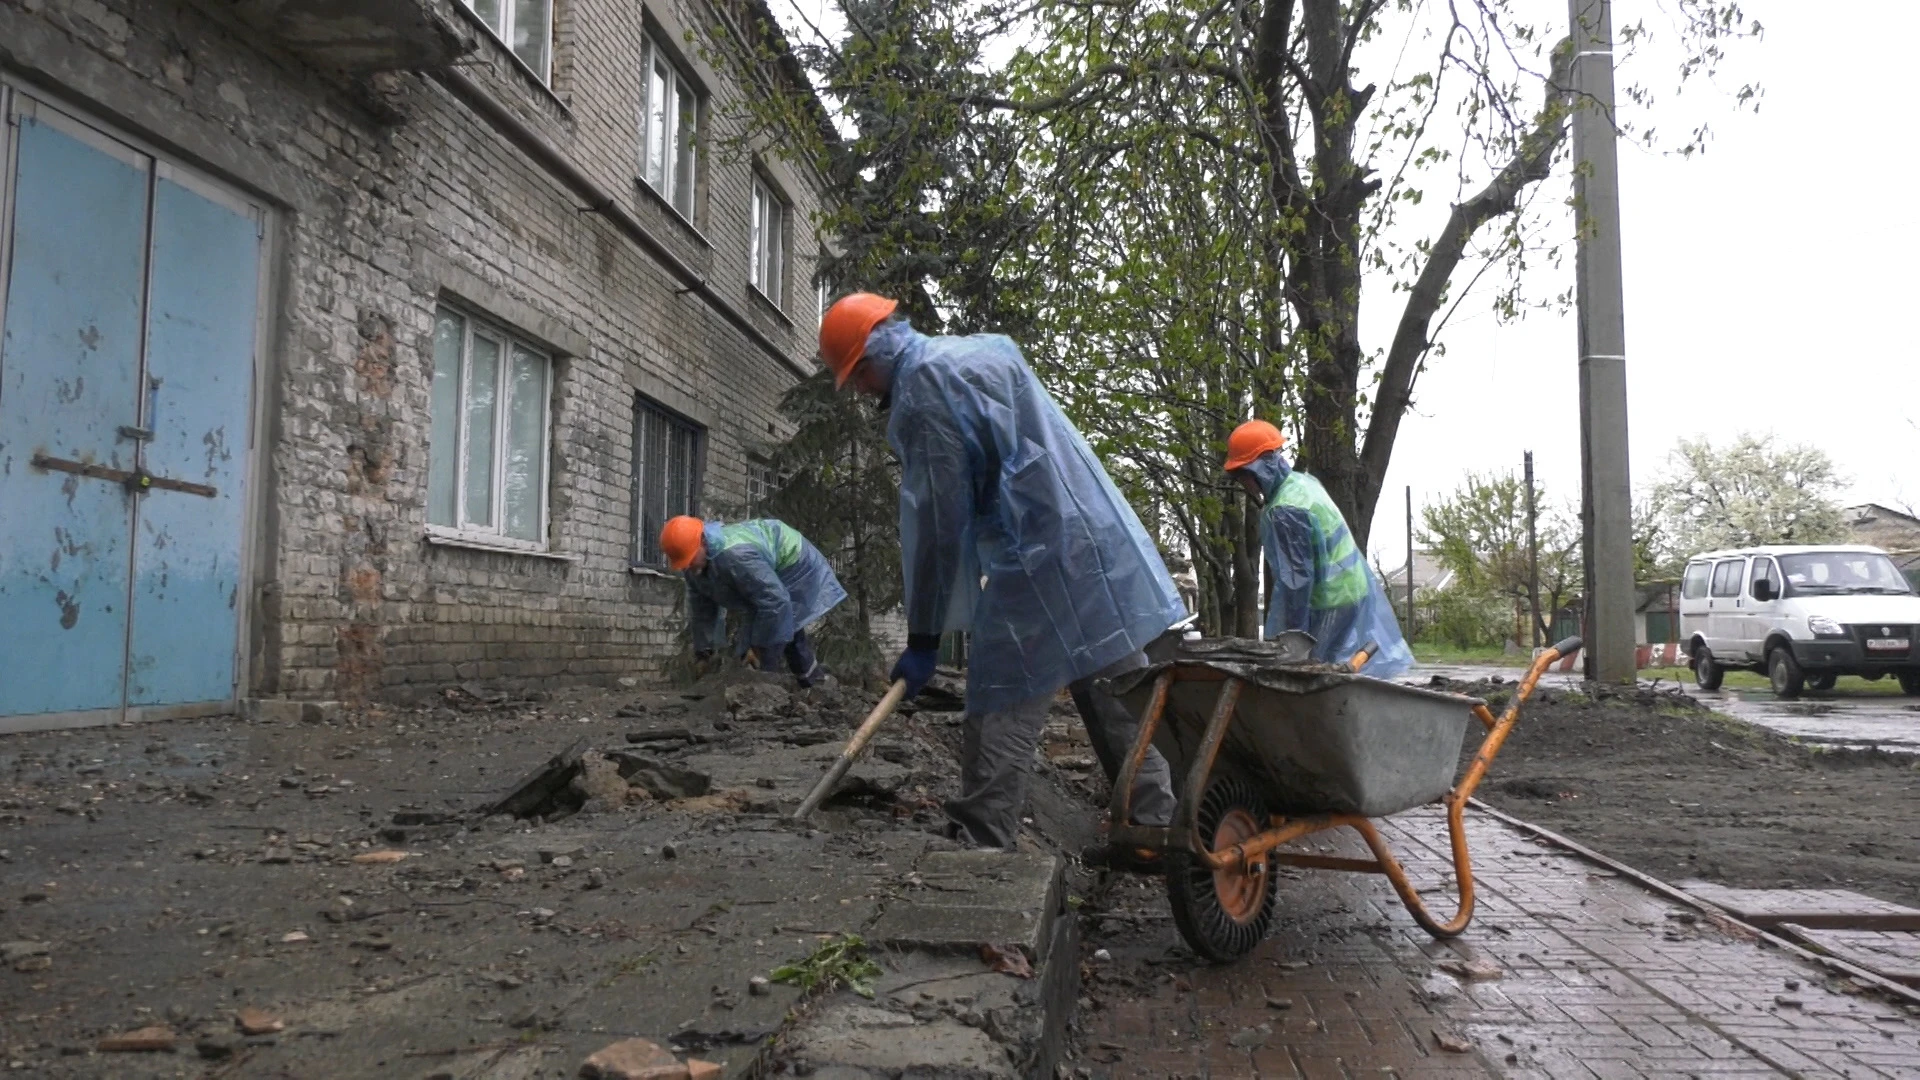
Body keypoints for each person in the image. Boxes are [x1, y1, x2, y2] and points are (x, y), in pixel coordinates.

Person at [819, 292, 1185, 850]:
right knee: (1115, 688)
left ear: (875, 353)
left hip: (1037, 554)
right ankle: (1155, 824)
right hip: (1088, 537)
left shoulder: (922, 393)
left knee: (999, 695)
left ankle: (983, 841)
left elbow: (939, 523)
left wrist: (923, 637)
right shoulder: (977, 350)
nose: (865, 390)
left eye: (860, 376)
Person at [1222, 420, 1413, 677]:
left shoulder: (1286, 510)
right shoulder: (1303, 485)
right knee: (1329, 666)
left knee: (1309, 672)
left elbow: (1297, 582)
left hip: (1328, 599)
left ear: (1259, 469)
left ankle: (1320, 715)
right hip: (1349, 590)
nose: (1243, 483)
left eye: (1243, 475)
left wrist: (1293, 637)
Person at [660, 515, 847, 688]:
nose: (688, 566)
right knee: (780, 624)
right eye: (683, 563)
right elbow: (701, 606)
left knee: (776, 626)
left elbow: (775, 602)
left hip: (794, 562)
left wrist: (757, 648)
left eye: (690, 559)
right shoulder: (694, 565)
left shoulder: (737, 557)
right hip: (769, 569)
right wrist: (704, 651)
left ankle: (764, 693)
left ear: (703, 542)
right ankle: (814, 683)